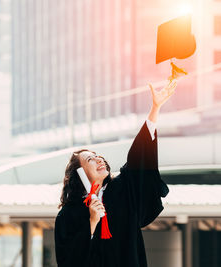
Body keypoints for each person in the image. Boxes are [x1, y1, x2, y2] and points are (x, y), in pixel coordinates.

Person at [54, 80, 177, 267]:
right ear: (79, 174)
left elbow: (139, 159)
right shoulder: (69, 214)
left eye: (97, 156)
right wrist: (92, 222)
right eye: (90, 160)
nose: (99, 159)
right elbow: (68, 260)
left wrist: (155, 109)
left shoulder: (123, 189)